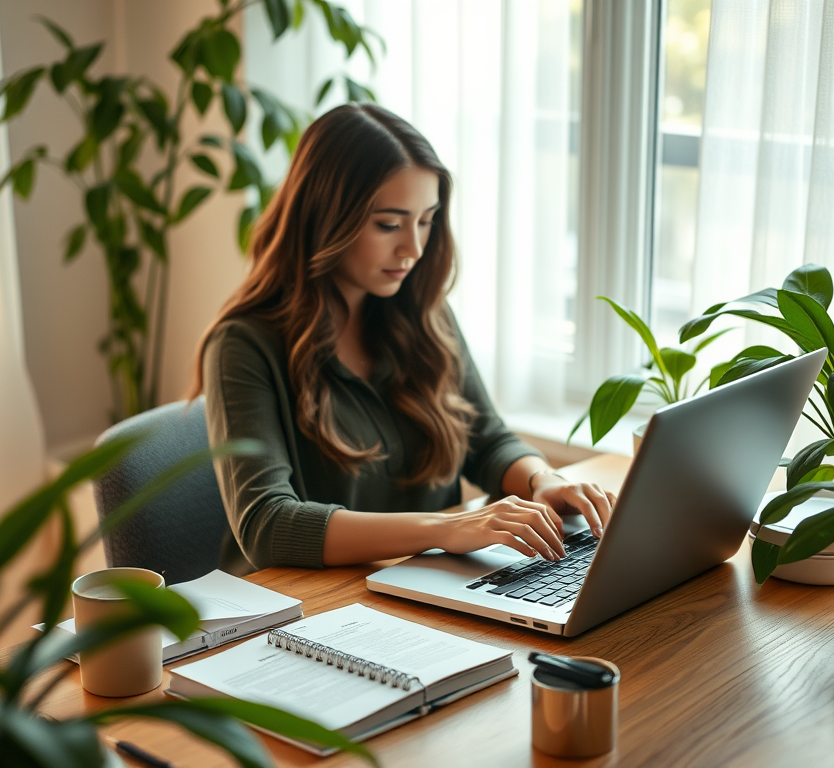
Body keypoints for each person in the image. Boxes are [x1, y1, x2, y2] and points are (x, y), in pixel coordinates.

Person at [190, 103, 614, 574]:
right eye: (389, 224)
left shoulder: (423, 313)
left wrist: (542, 479)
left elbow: (487, 440)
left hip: (418, 588)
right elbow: (267, 526)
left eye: (426, 220)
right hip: (304, 611)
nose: (413, 248)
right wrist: (443, 530)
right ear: (326, 219)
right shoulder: (243, 345)